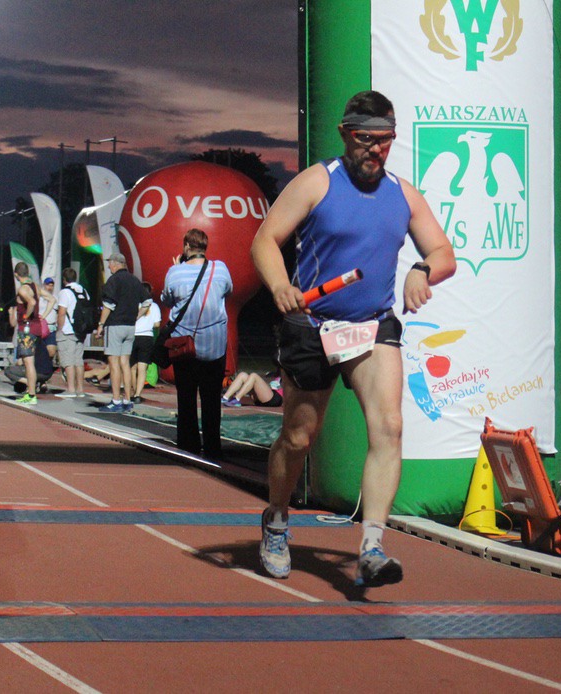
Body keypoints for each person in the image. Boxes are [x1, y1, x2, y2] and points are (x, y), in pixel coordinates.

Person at [250, 90, 455, 586]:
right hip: (312, 325)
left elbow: (444, 252)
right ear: (345, 134)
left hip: (372, 326)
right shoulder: (318, 181)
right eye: (365, 139)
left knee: (389, 427)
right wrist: (280, 286)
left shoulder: (403, 194)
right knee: (299, 437)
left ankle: (372, 547)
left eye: (385, 140)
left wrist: (422, 270)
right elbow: (265, 240)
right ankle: (276, 519)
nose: (375, 150)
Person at [160, 228, 233, 457]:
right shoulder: (220, 269)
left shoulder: (175, 272)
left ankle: (188, 444)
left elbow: (166, 299)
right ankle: (212, 447)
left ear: (186, 247)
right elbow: (228, 291)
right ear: (205, 247)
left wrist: (177, 268)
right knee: (212, 399)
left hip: (184, 346)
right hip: (214, 345)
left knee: (186, 397)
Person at [95, 252, 151, 412]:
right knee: (125, 363)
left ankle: (115, 400)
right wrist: (136, 316)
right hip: (130, 326)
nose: (108, 266)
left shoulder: (113, 280)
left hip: (115, 325)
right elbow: (147, 301)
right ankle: (127, 399)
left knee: (114, 364)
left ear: (115, 263)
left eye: (109, 263)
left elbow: (108, 305)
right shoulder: (135, 280)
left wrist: (100, 324)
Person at [55, 267, 88, 397]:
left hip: (68, 330)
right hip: (81, 331)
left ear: (64, 279)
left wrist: (59, 328)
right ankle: (80, 389)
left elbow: (62, 312)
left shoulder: (65, 292)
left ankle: (71, 389)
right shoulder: (83, 291)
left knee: (68, 361)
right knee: (78, 361)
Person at [13, 262, 42, 406]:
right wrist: (43, 315)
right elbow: (51, 299)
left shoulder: (23, 289)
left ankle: (31, 394)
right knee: (30, 361)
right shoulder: (35, 286)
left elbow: (32, 302)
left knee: (28, 362)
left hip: (27, 329)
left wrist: (26, 316)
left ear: (16, 274)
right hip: (36, 327)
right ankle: (31, 392)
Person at [130, 281, 161, 404]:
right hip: (147, 337)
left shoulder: (133, 304)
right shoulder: (155, 306)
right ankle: (138, 394)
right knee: (143, 368)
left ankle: (133, 391)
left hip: (133, 335)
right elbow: (157, 324)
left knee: (132, 367)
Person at [38, 277, 58, 361]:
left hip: (51, 327)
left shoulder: (56, 298)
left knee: (51, 351)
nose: (50, 287)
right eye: (48, 285)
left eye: (51, 285)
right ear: (44, 285)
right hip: (40, 327)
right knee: (39, 349)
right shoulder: (39, 298)